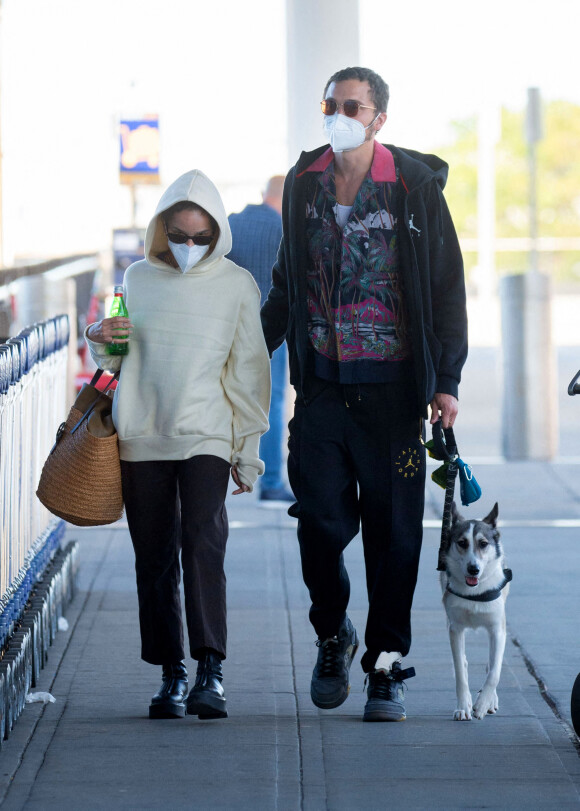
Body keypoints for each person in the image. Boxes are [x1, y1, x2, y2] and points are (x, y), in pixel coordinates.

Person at [260, 66, 467, 722]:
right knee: (319, 523)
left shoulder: (412, 186)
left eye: (353, 105)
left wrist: (447, 381)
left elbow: (444, 286)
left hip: (393, 395)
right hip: (321, 388)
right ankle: (333, 631)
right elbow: (287, 281)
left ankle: (385, 665)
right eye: (332, 103)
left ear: (379, 118)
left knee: (395, 535)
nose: (339, 113)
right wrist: (243, 353)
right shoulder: (303, 182)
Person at [85, 169, 270, 721]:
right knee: (154, 558)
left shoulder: (237, 285)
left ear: (217, 235)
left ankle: (210, 668)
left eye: (201, 238)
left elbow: (249, 374)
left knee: (203, 545)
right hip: (142, 434)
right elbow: (116, 358)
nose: (190, 248)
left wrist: (247, 450)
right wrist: (99, 338)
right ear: (161, 231)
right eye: (181, 236)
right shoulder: (135, 279)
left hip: (207, 435)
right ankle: (171, 672)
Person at [228, 176, 294, 502]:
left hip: (229, 326)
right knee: (271, 402)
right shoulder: (285, 228)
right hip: (270, 330)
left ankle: (217, 470)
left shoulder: (232, 224)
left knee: (226, 397)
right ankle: (269, 483)